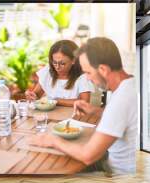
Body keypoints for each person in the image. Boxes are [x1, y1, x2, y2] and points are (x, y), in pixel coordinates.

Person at [30, 37, 138, 175]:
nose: (87, 78)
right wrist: (95, 111)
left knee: (47, 167)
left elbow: (87, 156)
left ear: (103, 70)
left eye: (88, 72)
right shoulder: (128, 86)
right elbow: (121, 116)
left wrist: (52, 140)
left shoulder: (121, 99)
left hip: (115, 172)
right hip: (110, 158)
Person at [25, 40, 94, 107]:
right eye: (54, 62)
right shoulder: (48, 71)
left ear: (73, 60)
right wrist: (31, 95)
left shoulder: (83, 76)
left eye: (62, 63)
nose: (57, 67)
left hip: (73, 116)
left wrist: (56, 101)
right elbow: (37, 96)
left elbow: (84, 102)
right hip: (50, 116)